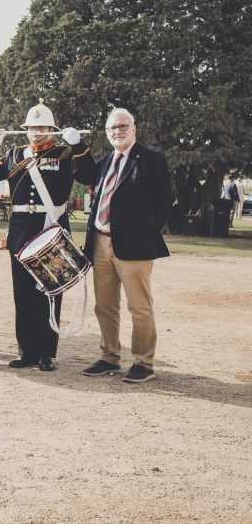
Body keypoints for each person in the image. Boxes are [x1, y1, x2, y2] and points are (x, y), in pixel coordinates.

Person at [0, 99, 96, 371]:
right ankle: (26, 352)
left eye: (41, 126)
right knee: (23, 295)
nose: (35, 131)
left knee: (50, 292)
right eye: (31, 127)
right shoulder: (14, 154)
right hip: (20, 231)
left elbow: (90, 174)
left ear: (51, 128)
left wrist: (78, 145)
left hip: (50, 227)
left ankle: (46, 354)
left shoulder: (65, 154)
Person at [81, 108, 173, 383]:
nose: (118, 131)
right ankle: (109, 357)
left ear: (134, 128)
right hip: (100, 241)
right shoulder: (105, 161)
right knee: (104, 306)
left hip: (135, 245)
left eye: (123, 126)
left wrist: (144, 231)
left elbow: (165, 202)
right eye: (112, 128)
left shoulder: (151, 160)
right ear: (107, 133)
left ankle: (144, 363)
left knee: (139, 306)